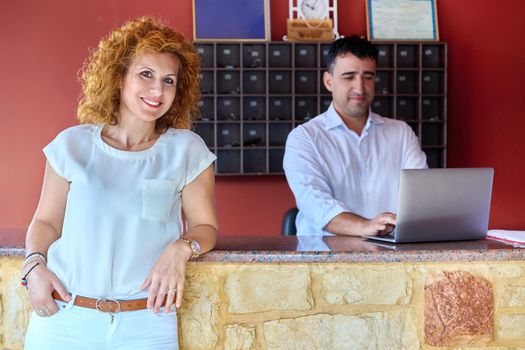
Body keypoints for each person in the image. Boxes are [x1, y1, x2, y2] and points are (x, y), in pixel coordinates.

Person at [20, 16, 218, 350]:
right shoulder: (72, 145)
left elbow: (205, 227)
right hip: (64, 318)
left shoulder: (187, 151)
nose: (158, 90)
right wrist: (33, 266)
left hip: (147, 322)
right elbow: (45, 222)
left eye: (169, 80)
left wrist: (180, 249)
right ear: (119, 77)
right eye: (146, 74)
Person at [283, 35, 427, 237]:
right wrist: (365, 226)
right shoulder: (303, 138)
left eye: (367, 77)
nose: (360, 88)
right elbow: (316, 206)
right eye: (349, 77)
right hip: (323, 260)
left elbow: (421, 197)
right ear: (329, 81)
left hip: (392, 257)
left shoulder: (401, 133)